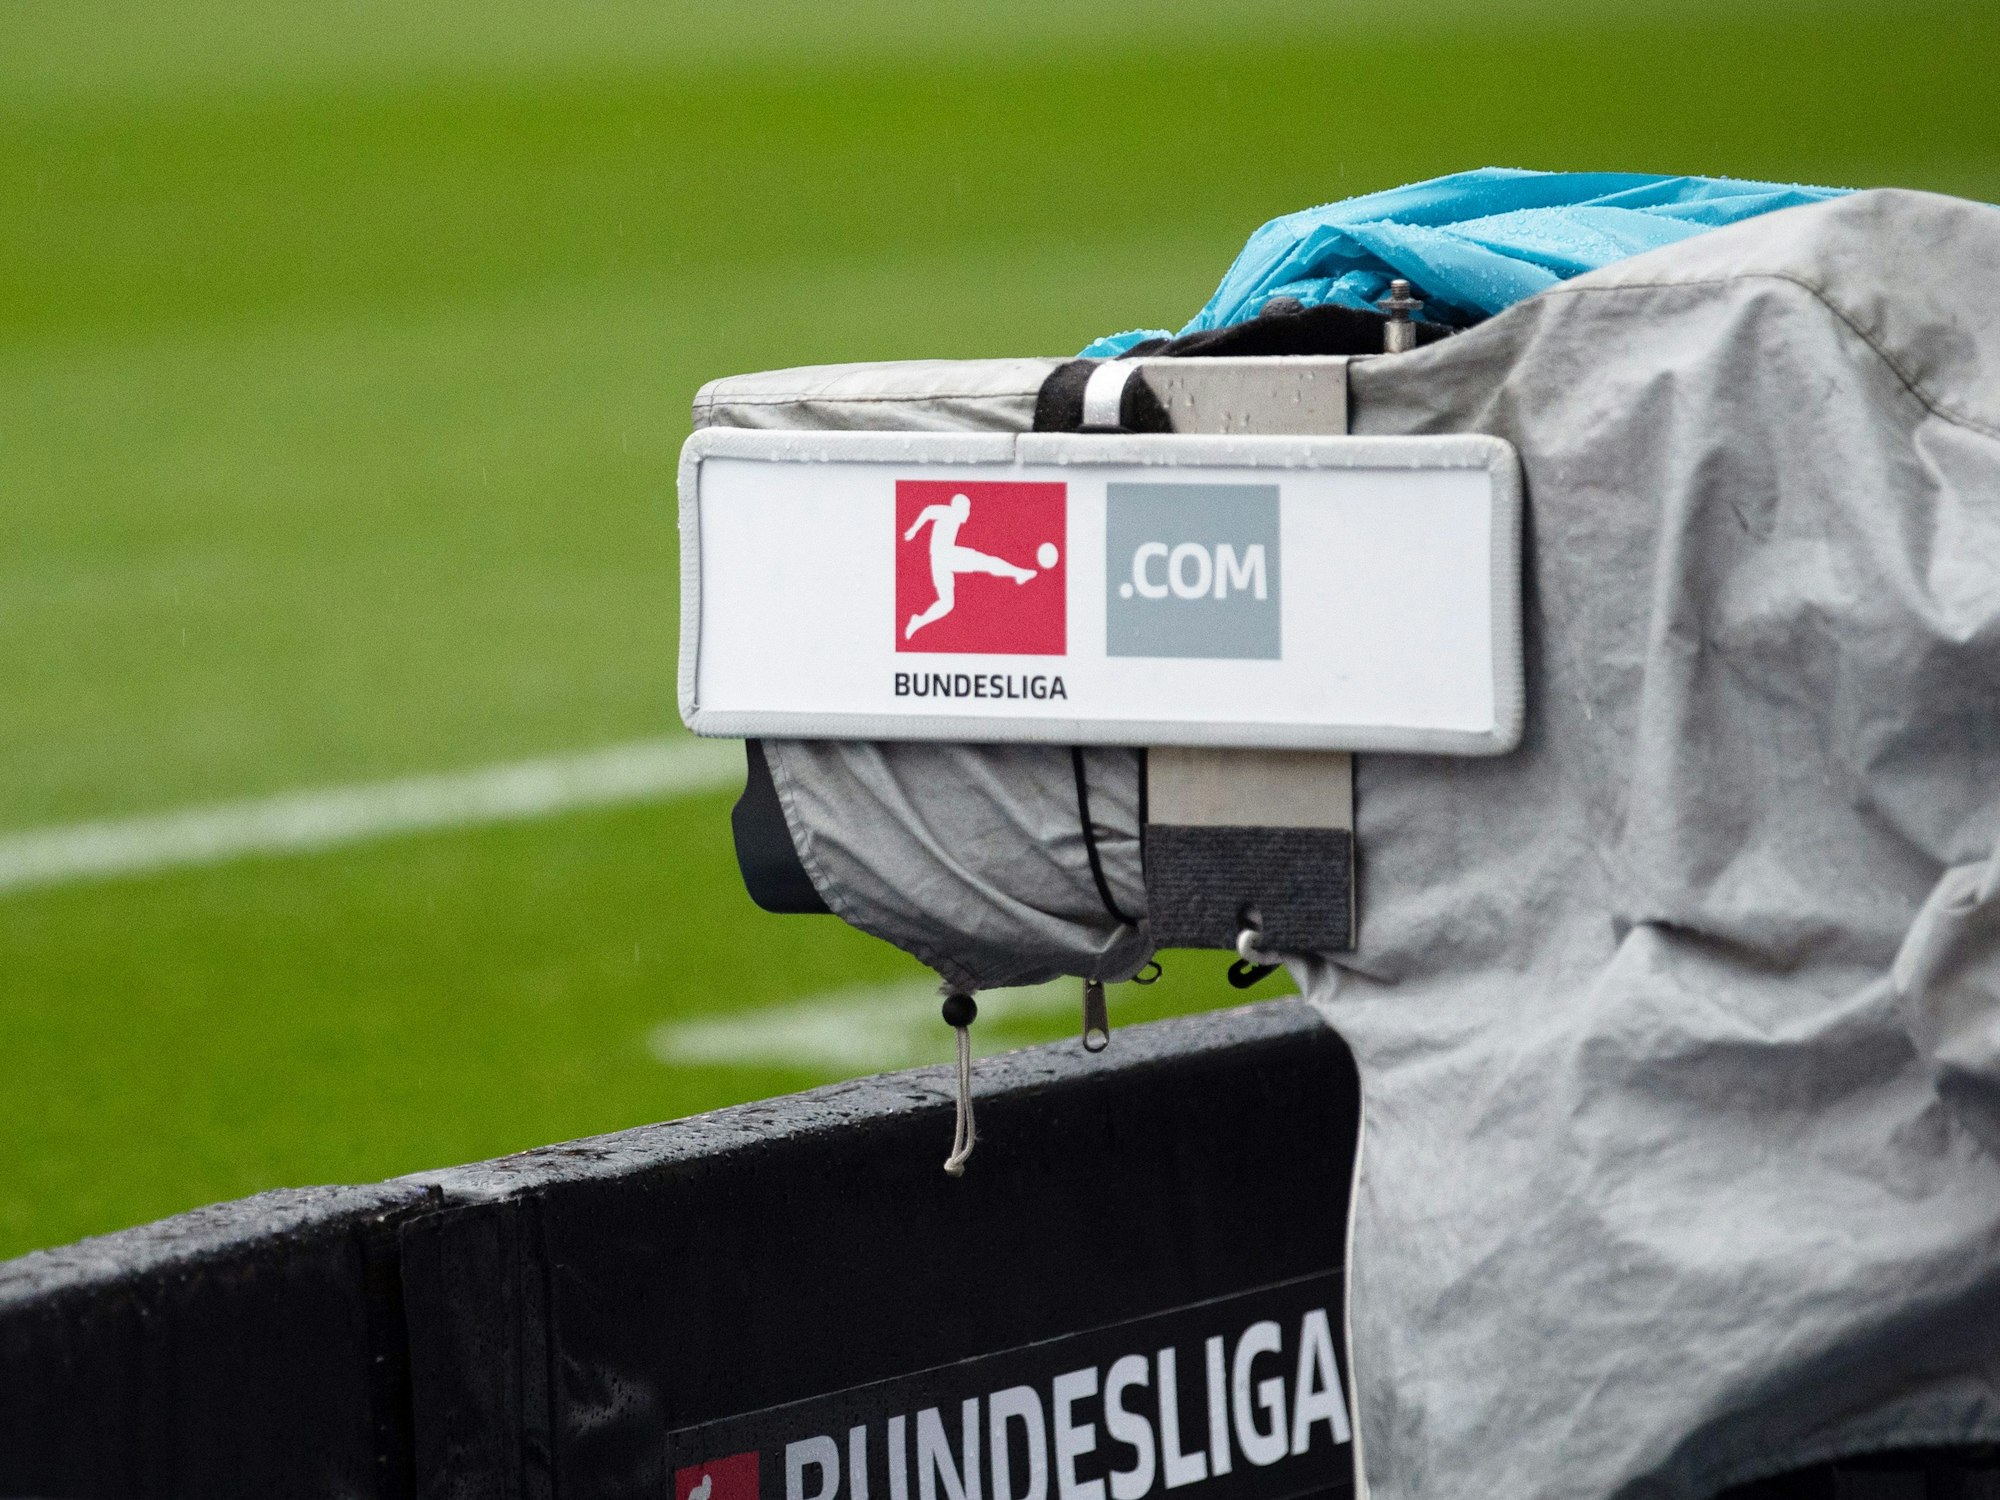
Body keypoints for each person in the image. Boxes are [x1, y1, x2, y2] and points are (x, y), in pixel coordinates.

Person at [902, 493, 1036, 639]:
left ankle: (918, 621)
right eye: (967, 509)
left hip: (939, 561)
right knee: (988, 562)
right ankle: (1018, 573)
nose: (968, 513)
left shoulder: (952, 516)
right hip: (947, 555)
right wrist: (915, 529)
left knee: (947, 603)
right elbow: (928, 511)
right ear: (960, 508)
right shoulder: (949, 512)